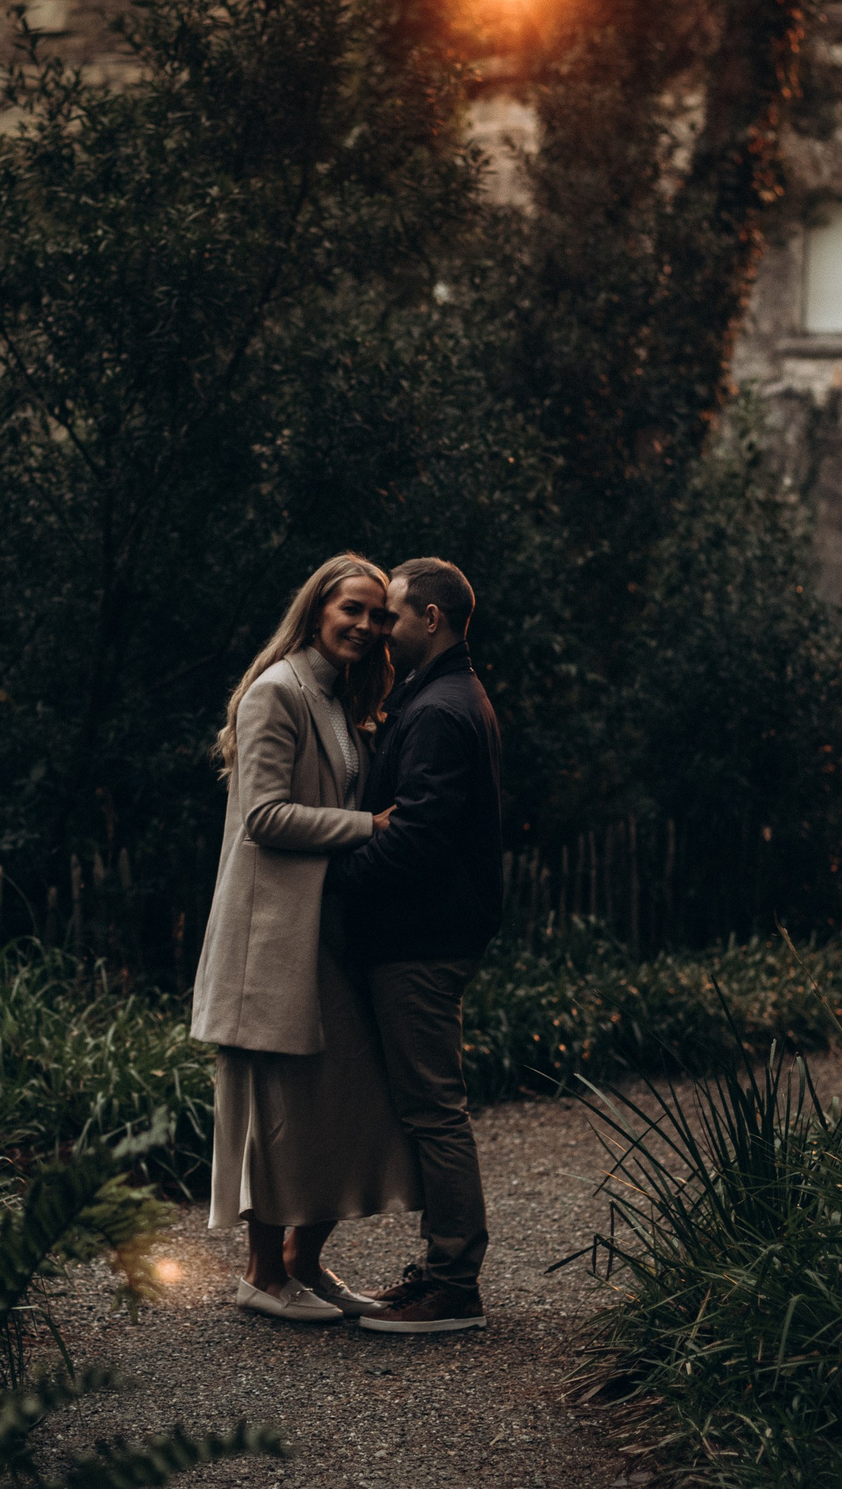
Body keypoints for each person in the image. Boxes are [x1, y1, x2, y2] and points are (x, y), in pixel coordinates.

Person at [189, 553, 423, 1324]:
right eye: (350, 608)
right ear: (317, 608)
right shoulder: (276, 691)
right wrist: (371, 827)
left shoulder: (339, 695)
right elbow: (264, 815)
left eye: (376, 614)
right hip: (270, 938)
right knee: (282, 1104)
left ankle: (304, 1260)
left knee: (353, 1096)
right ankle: (261, 1273)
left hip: (323, 930)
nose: (363, 624)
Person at [325, 556, 503, 1335]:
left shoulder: (438, 708)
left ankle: (454, 1283)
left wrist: (332, 877)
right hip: (425, 932)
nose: (380, 629)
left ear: (430, 618)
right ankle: (439, 1270)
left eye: (392, 615)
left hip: (421, 938)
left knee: (434, 1108)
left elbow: (421, 837)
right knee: (429, 1105)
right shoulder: (441, 694)